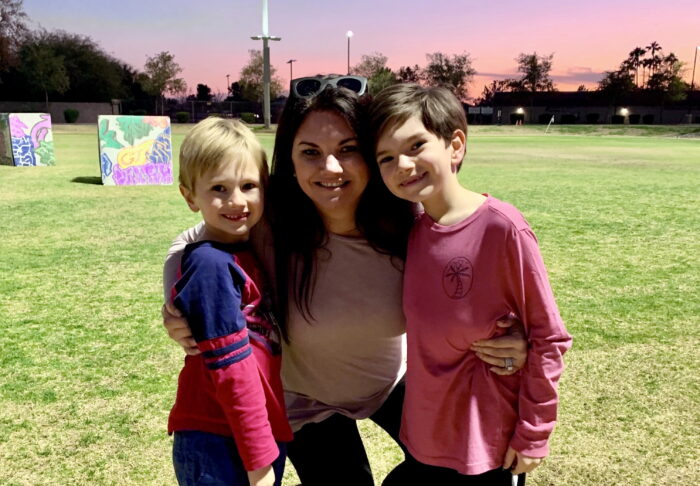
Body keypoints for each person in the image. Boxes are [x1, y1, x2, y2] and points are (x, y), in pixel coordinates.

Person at [163, 76, 529, 486]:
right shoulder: (268, 224)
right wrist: (177, 306)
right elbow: (189, 245)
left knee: (483, 467)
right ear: (290, 160)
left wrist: (510, 333)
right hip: (307, 405)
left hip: (392, 383)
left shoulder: (408, 225)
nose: (330, 168)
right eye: (311, 153)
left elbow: (472, 281)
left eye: (348, 150)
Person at [368, 83, 572, 485]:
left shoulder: (502, 227)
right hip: (424, 436)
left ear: (455, 145)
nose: (402, 165)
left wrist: (533, 433)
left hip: (485, 447)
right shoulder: (411, 230)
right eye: (386, 158)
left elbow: (549, 337)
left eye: (415, 146)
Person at [167, 117, 292, 486]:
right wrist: (258, 459)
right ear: (190, 196)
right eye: (219, 188)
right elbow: (231, 368)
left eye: (249, 186)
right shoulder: (210, 265)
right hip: (219, 438)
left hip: (252, 432)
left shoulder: (246, 252)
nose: (237, 200)